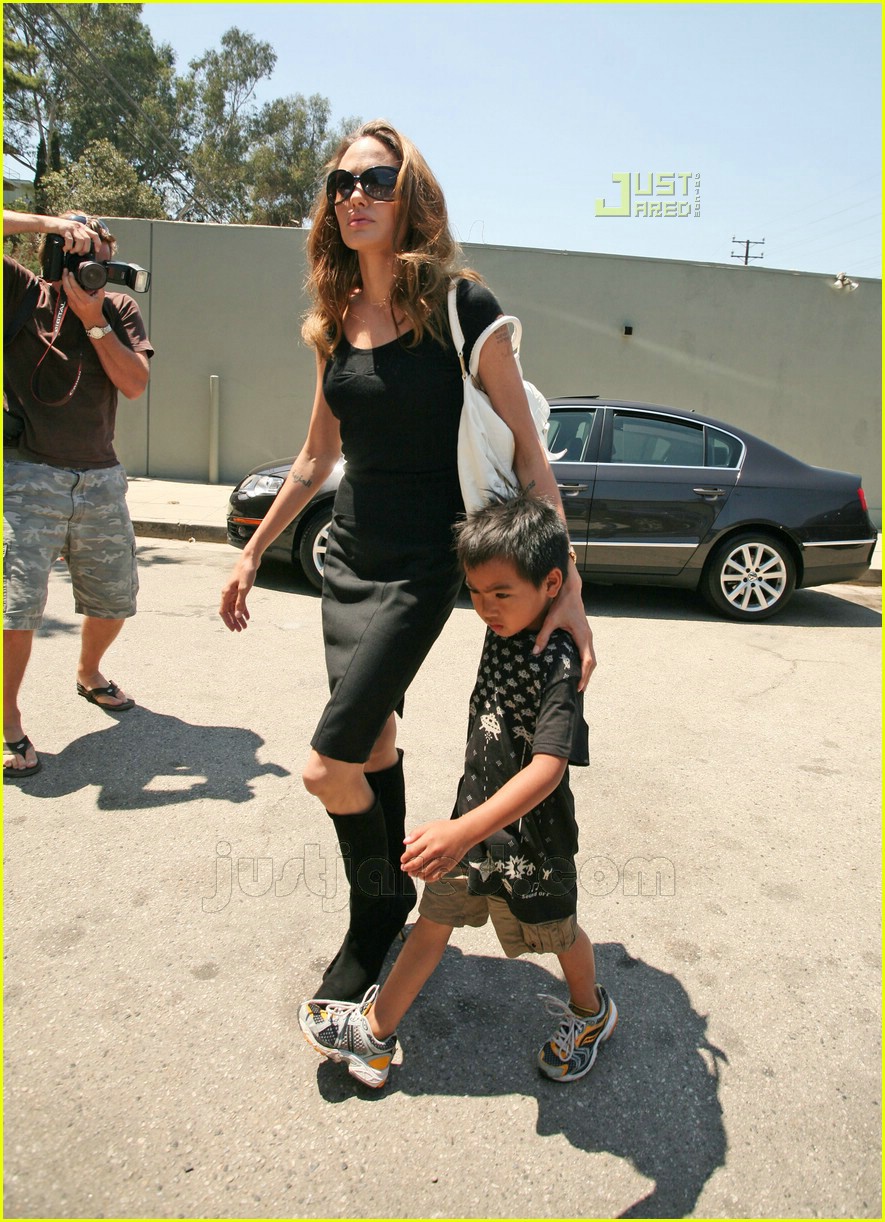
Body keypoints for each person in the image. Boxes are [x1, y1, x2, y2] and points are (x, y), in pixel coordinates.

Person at [219, 120, 596, 1002]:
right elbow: (316, 457)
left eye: (376, 181)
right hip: (347, 560)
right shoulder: (333, 321)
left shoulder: (463, 309)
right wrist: (253, 553)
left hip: (422, 567)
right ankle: (385, 906)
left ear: (409, 196)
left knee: (326, 766)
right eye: (341, 184)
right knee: (375, 740)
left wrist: (570, 591)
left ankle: (374, 914)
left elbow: (531, 459)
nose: (355, 196)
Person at [297, 491, 616, 1089]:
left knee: (558, 932)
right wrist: (463, 829)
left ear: (552, 584)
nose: (486, 607)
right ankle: (375, 1035)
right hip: (472, 817)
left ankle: (590, 1011)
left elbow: (549, 769)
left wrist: (462, 831)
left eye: (501, 594)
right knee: (432, 922)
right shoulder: (508, 624)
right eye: (476, 593)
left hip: (532, 839)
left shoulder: (559, 658)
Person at [3, 210, 154, 779]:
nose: (97, 271)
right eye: (86, 258)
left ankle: (89, 673)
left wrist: (94, 321)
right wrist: (46, 222)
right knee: (16, 607)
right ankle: (8, 723)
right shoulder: (21, 294)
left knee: (115, 600)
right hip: (27, 473)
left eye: (104, 262)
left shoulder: (118, 309)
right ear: (57, 256)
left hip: (100, 476)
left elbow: (135, 384)